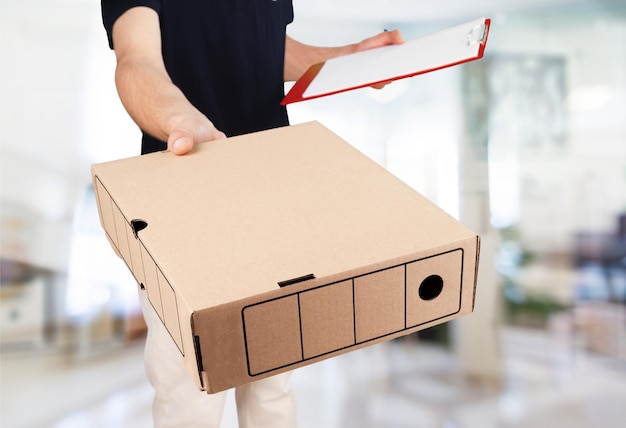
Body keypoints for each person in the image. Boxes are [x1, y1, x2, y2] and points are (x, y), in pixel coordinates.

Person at [101, 1, 403, 427]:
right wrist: (179, 118)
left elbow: (264, 50)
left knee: (272, 385)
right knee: (191, 393)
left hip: (272, 194)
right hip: (184, 207)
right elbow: (136, 61)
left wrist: (351, 57)